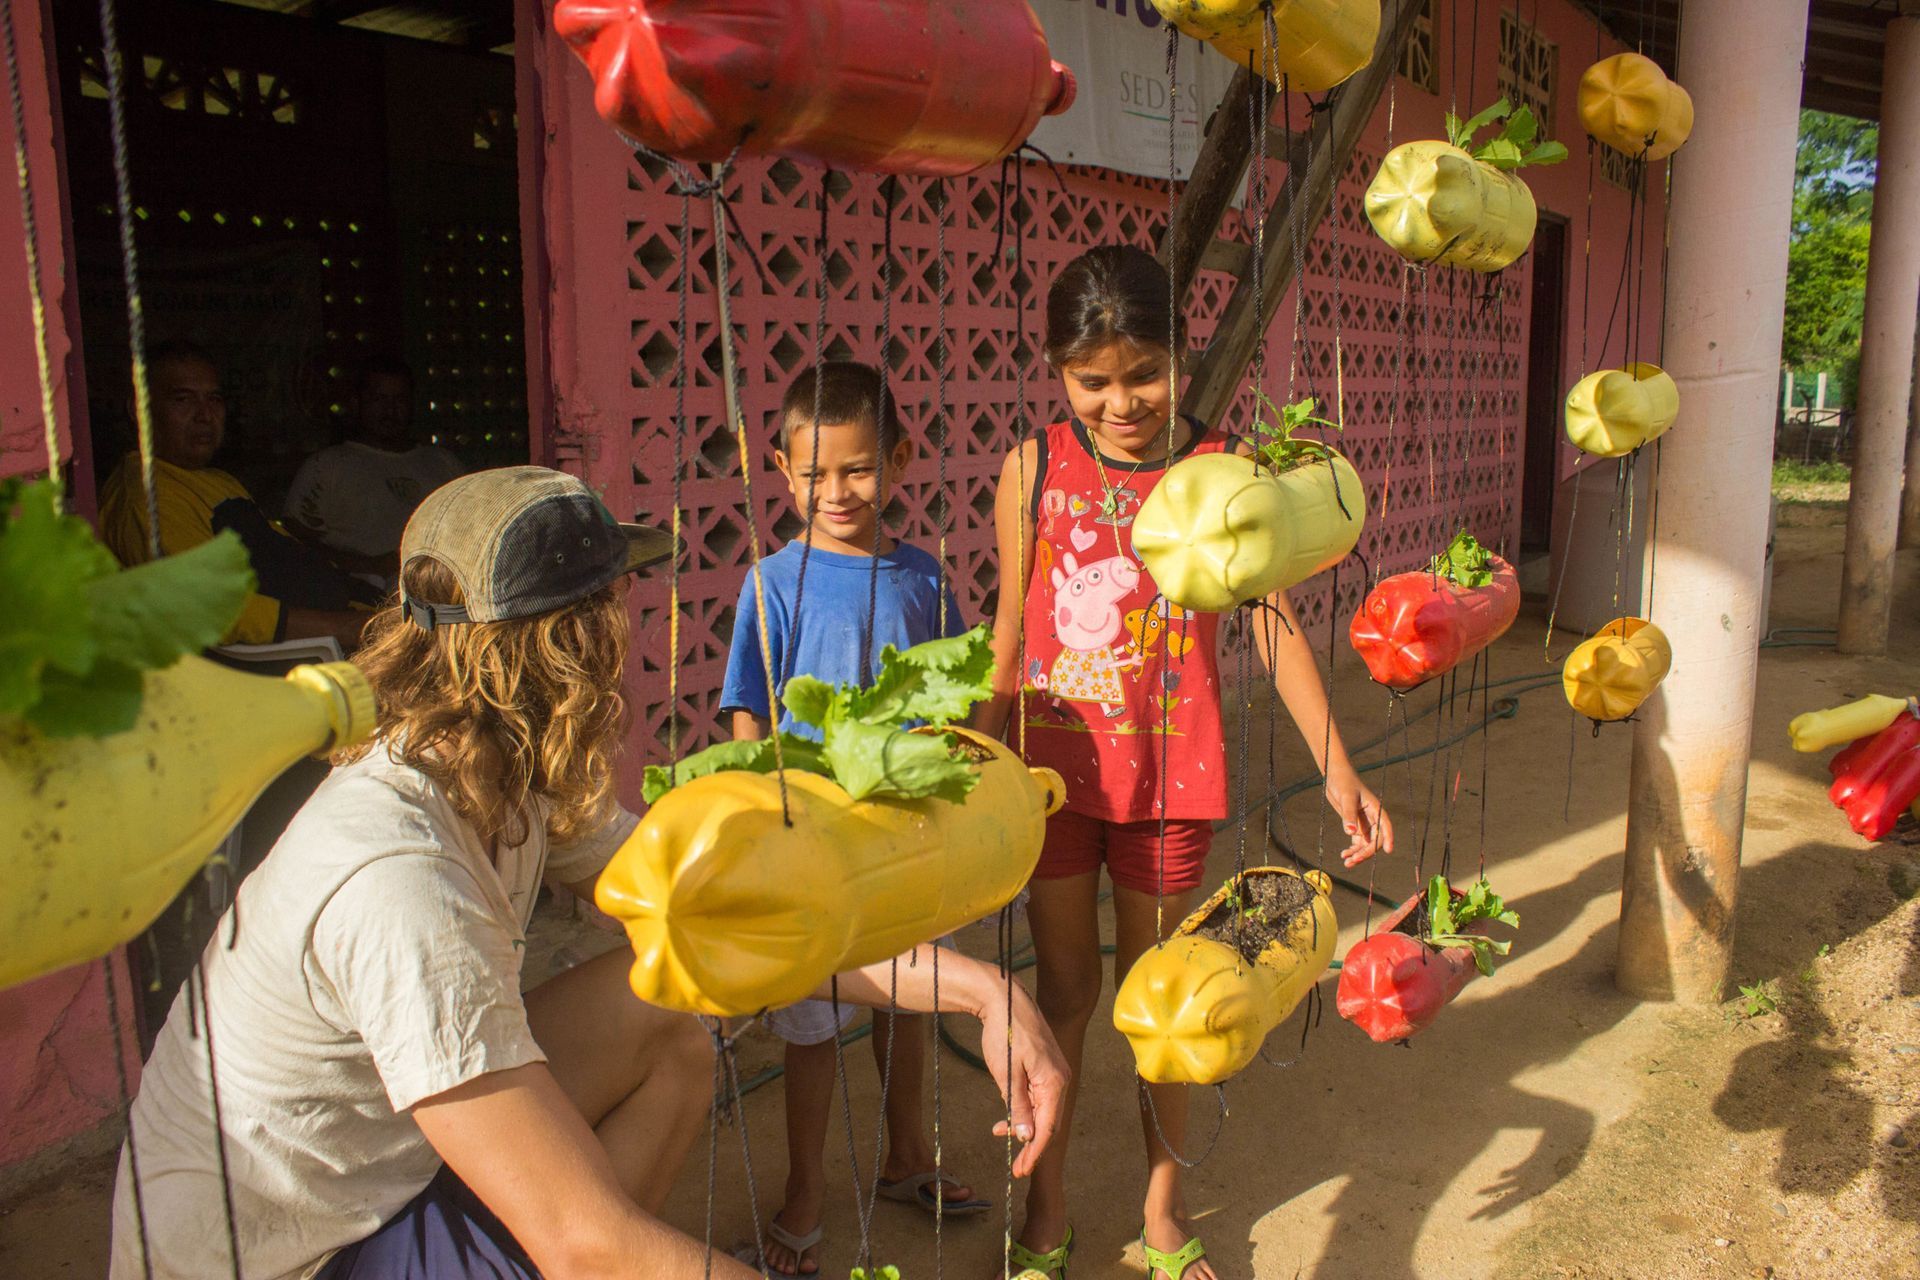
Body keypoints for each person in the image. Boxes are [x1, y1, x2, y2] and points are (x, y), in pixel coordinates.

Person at [108, 465, 1068, 1280]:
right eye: (610, 607)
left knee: (670, 1018)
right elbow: (584, 1243)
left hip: (376, 1176)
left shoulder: (500, 774)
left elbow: (723, 920)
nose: (626, 628)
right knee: (591, 1244)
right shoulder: (395, 875)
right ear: (568, 646)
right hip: (299, 1256)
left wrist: (980, 991)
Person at [975, 245, 1396, 1280]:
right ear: (1057, 372)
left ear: (1182, 352)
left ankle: (1164, 1213)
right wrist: (981, 753)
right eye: (1094, 381)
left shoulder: (1223, 471)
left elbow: (1275, 622)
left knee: (1165, 1005)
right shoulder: (1030, 469)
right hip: (1054, 784)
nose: (1123, 401)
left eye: (1145, 372)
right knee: (1065, 995)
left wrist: (1337, 764)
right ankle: (1048, 1202)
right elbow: (1011, 626)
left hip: (1170, 789)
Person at [719, 362, 985, 1277]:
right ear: (780, 471)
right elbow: (747, 712)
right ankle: (804, 1195)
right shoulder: (771, 583)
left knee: (907, 1003)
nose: (836, 493)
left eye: (859, 471)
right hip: (814, 842)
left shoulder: (923, 578)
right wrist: (766, 810)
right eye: (814, 474)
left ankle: (907, 1156)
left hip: (905, 835)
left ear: (900, 462)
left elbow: (953, 693)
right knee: (811, 1023)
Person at [96, 339, 378, 651]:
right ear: (140, 410)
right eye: (183, 400)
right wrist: (342, 628)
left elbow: (288, 555)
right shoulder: (145, 495)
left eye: (214, 400)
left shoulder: (216, 481)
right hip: (302, 663)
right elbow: (202, 607)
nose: (205, 415)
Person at [283, 355, 464, 589]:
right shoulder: (327, 465)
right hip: (356, 600)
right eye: (379, 399)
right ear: (357, 402)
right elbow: (296, 541)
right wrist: (370, 566)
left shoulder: (442, 463)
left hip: (434, 596)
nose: (390, 409)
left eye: (400, 399)